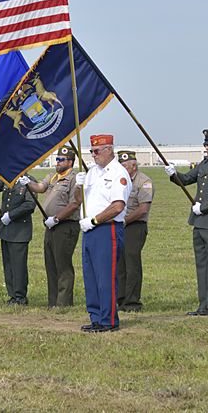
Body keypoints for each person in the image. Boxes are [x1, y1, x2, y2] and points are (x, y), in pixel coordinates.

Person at [165, 129, 208, 316]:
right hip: (198, 222)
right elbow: (187, 179)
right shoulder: (204, 164)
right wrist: (174, 174)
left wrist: (203, 207)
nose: (206, 147)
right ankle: (203, 304)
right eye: (205, 144)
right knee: (201, 265)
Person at [75, 134, 131, 332]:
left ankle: (109, 320)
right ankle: (96, 317)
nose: (93, 155)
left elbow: (117, 207)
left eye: (97, 151)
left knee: (106, 276)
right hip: (89, 229)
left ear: (109, 149)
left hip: (107, 229)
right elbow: (79, 199)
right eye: (91, 151)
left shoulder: (118, 173)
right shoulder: (92, 172)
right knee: (91, 276)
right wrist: (78, 184)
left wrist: (94, 220)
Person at [18, 146, 82, 307]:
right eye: (57, 159)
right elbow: (40, 187)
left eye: (61, 160)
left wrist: (56, 218)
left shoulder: (74, 178)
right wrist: (28, 183)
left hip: (65, 226)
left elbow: (75, 204)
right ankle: (53, 302)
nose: (58, 162)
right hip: (51, 226)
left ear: (70, 162)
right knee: (51, 265)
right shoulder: (53, 176)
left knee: (63, 265)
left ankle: (64, 303)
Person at [0, 174, 37, 305]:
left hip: (19, 230)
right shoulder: (8, 178)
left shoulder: (29, 181)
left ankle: (20, 297)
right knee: (8, 266)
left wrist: (11, 216)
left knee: (18, 266)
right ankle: (12, 296)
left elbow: (30, 204)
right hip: (6, 229)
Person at [116, 150, 154, 312]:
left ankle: (132, 302)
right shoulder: (120, 180)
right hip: (120, 225)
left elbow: (143, 209)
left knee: (132, 265)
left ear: (133, 165)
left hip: (134, 226)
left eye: (124, 165)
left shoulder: (143, 182)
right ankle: (122, 300)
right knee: (120, 265)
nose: (121, 168)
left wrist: (124, 221)